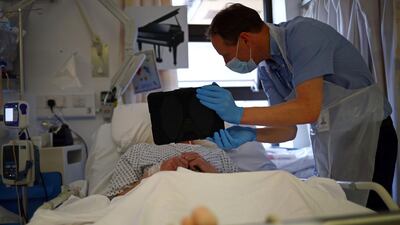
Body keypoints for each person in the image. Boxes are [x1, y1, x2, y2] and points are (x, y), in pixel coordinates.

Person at [196, 3, 398, 210]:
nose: (226, 63)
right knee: (341, 210)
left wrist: (240, 114)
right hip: (333, 141)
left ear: (245, 39)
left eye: (226, 55)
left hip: (370, 131)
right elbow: (287, 130)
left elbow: (308, 109)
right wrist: (252, 134)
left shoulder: (303, 35)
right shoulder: (268, 69)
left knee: (371, 210)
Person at [105, 143, 239, 198]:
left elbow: (241, 194)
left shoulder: (218, 154)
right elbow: (116, 201)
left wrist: (212, 174)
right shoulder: (139, 151)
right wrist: (155, 174)